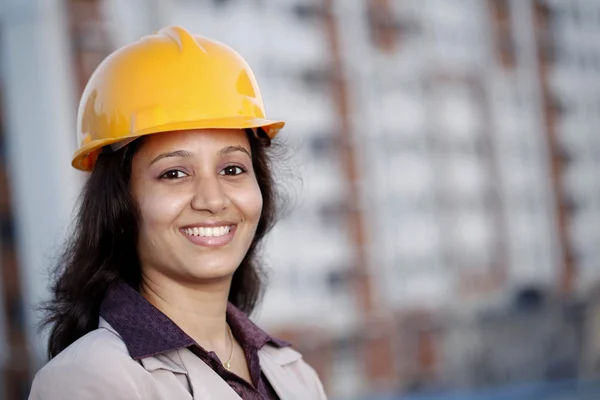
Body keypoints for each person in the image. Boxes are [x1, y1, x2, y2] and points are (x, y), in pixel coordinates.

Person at [28, 25, 327, 400]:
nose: (212, 200)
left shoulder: (295, 374)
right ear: (120, 202)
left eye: (232, 169)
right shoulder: (87, 381)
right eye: (174, 173)